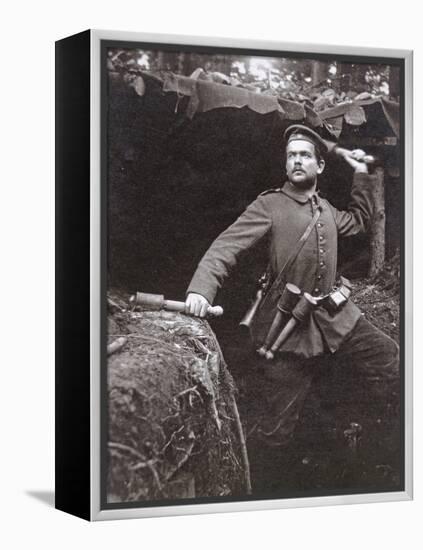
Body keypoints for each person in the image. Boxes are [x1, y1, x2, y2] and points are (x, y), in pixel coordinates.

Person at [184, 124, 399, 470]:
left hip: (334, 319)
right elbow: (226, 246)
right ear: (286, 165)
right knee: (275, 433)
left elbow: (359, 223)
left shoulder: (326, 209)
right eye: (292, 156)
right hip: (286, 330)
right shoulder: (269, 205)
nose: (297, 161)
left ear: (320, 166)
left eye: (304, 155)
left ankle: (352, 432)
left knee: (388, 357)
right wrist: (200, 289)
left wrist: (363, 177)